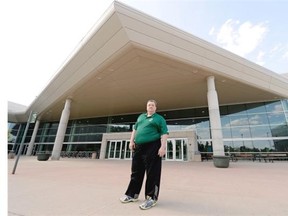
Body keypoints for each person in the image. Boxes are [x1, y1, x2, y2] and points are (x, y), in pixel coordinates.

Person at [120, 99, 169, 210]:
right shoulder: (141, 117)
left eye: (152, 105)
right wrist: (131, 141)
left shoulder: (159, 118)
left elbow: (165, 133)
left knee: (152, 173)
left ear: (155, 108)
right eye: (148, 105)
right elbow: (135, 129)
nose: (150, 106)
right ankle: (132, 194)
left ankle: (151, 198)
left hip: (153, 146)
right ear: (146, 107)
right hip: (139, 147)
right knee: (136, 171)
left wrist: (162, 147)